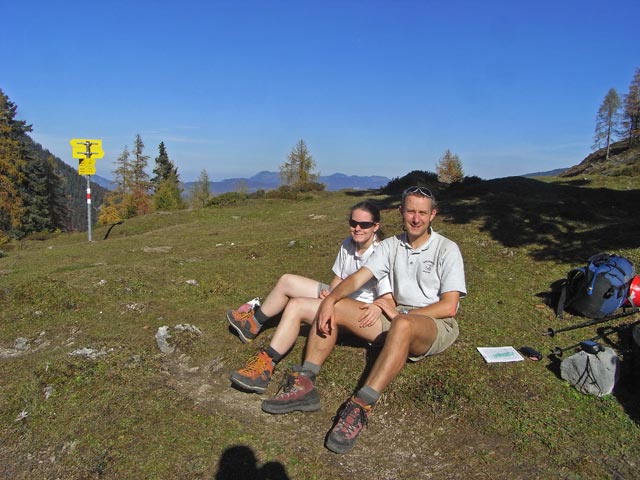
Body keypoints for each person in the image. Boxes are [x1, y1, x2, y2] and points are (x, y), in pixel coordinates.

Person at [260, 186, 466, 455]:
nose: (416, 219)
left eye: (423, 213)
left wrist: (404, 315)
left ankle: (361, 405)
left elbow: (449, 306)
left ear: (433, 215)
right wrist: (330, 301)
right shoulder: (391, 245)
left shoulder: (446, 249)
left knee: (402, 325)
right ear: (402, 212)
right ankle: (305, 382)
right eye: (411, 211)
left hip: (432, 322)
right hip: (394, 313)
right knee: (336, 306)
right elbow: (357, 278)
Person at [228, 201, 392, 394]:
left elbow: (389, 295)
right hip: (338, 297)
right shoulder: (348, 244)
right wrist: (330, 293)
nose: (357, 228)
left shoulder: (381, 253)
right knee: (287, 280)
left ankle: (264, 367)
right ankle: (252, 324)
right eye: (353, 223)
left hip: (358, 309)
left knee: (296, 306)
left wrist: (377, 307)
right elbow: (339, 277)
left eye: (364, 225)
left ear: (375, 226)